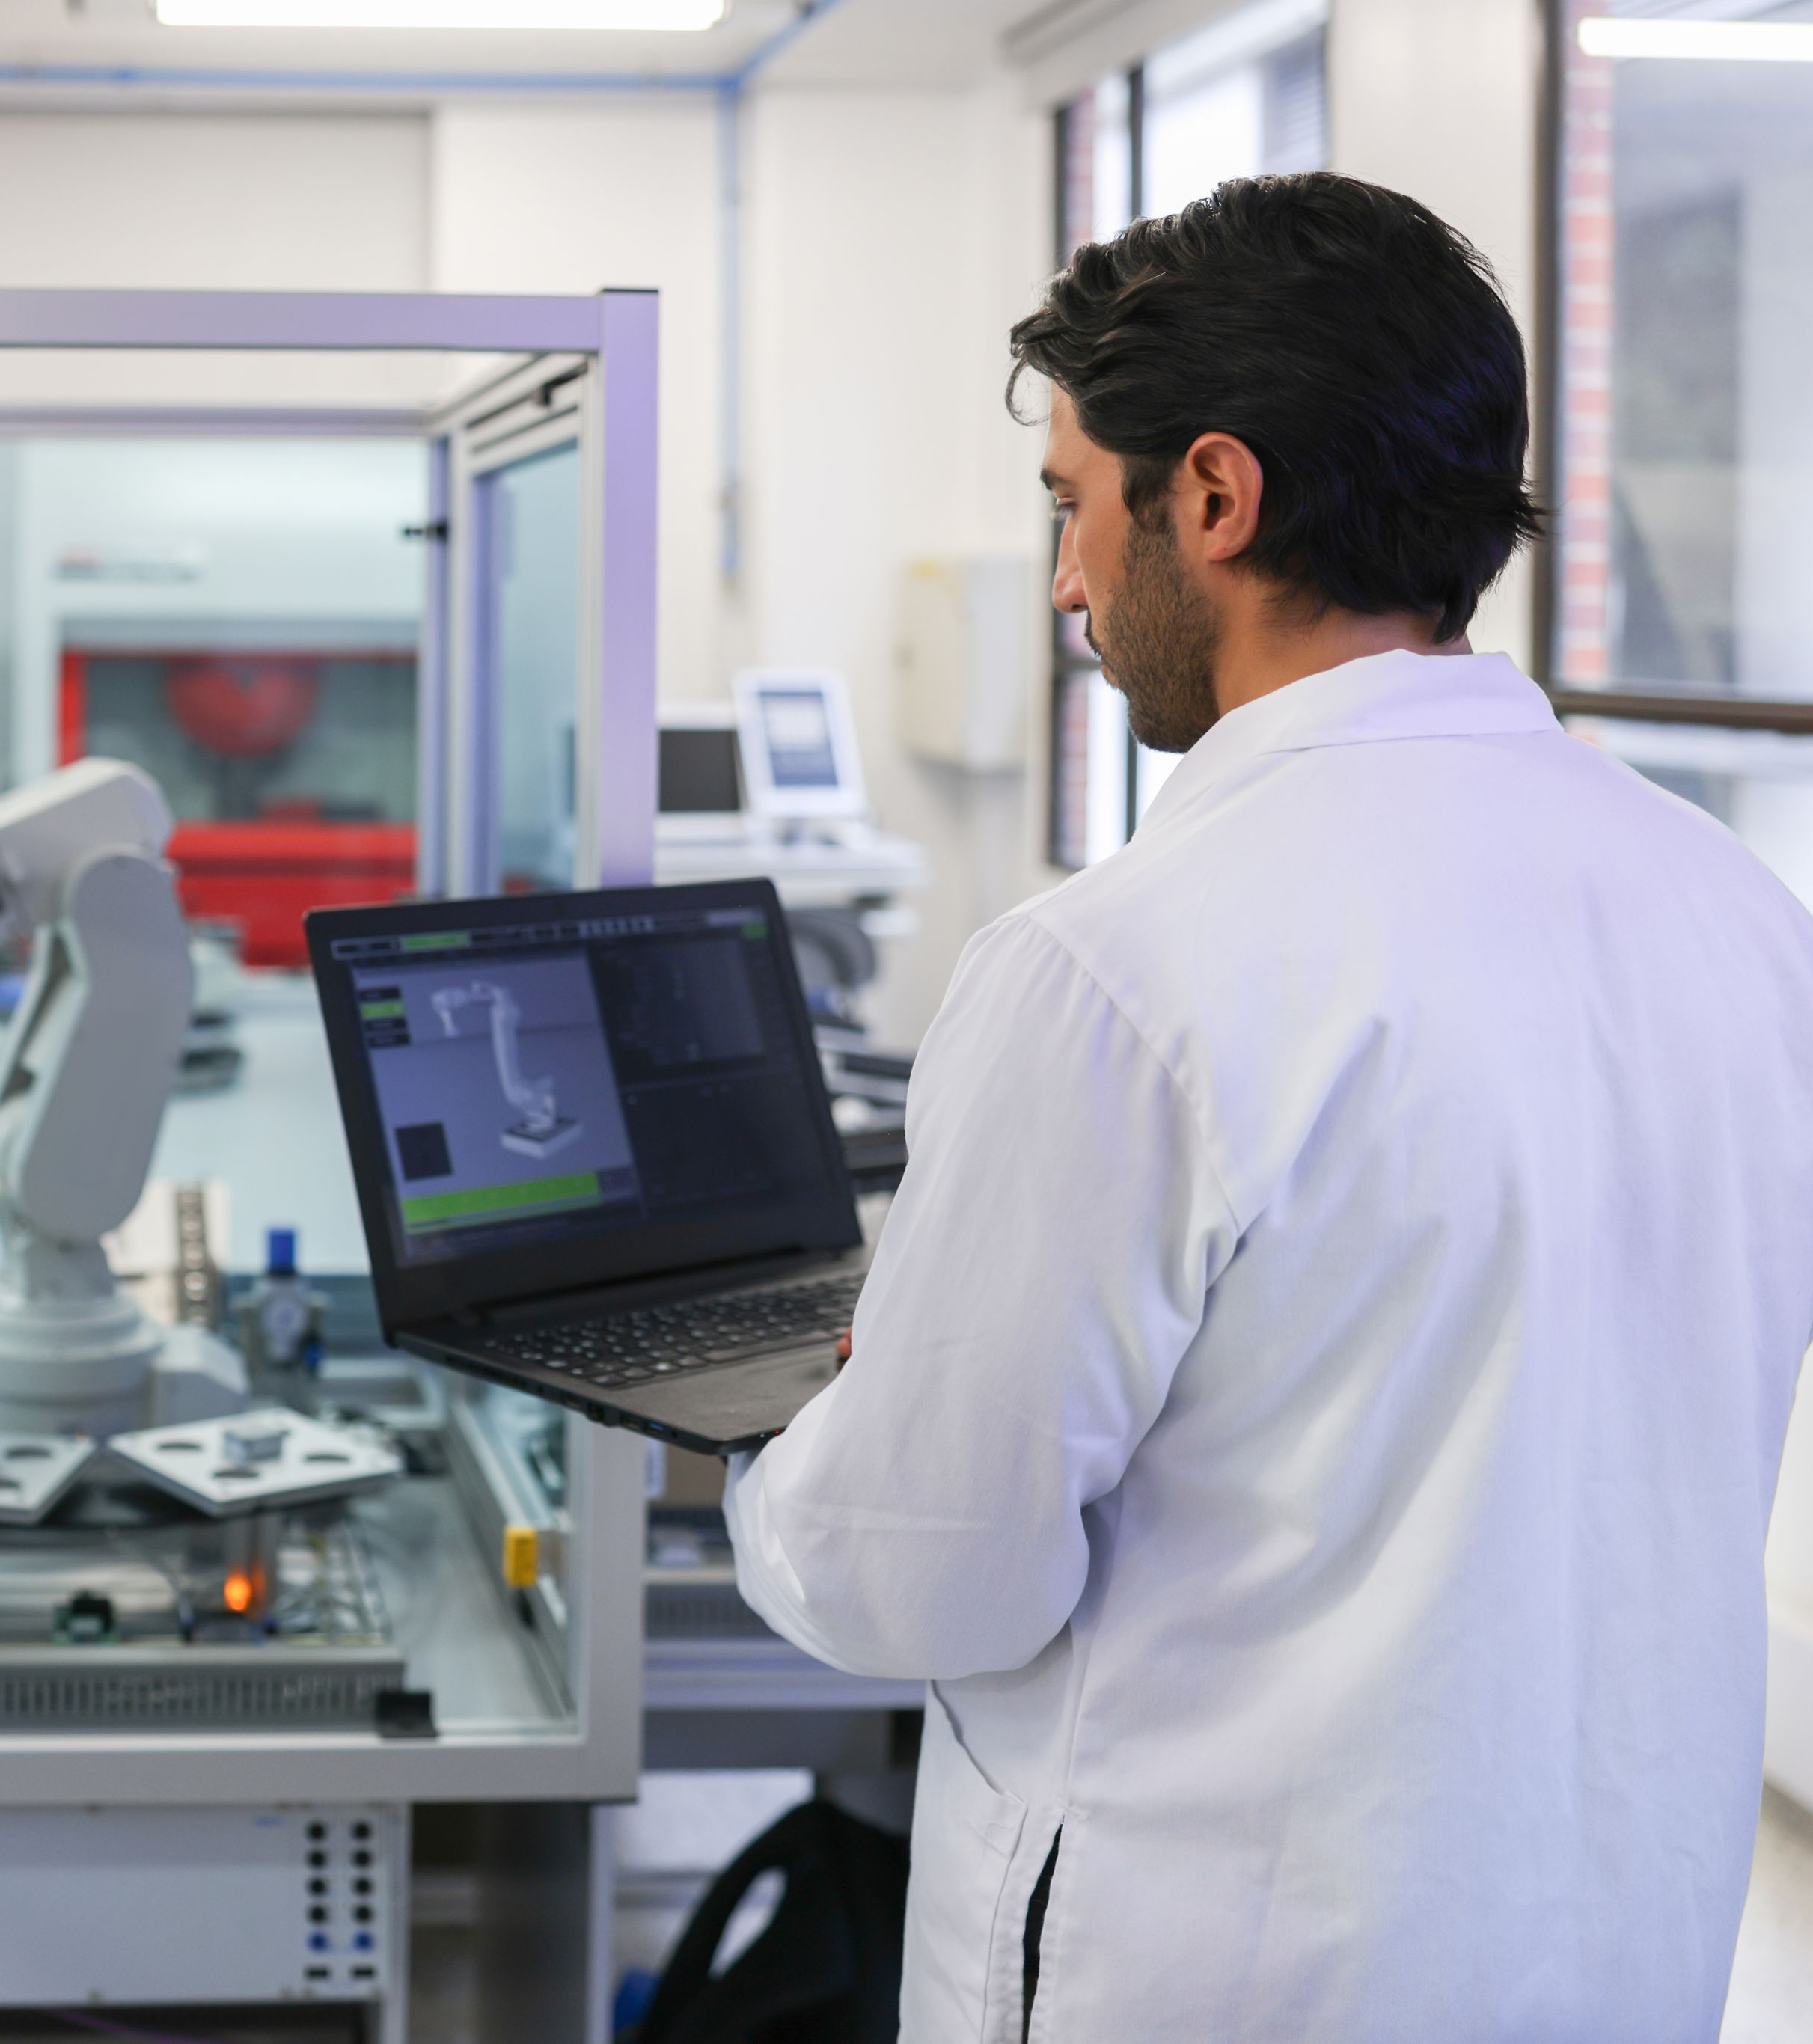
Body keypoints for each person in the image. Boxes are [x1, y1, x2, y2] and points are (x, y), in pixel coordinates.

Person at [722, 171, 1813, 2042]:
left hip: (1218, 1971)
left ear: (1209, 497)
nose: (1063, 581)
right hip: (1608, 1954)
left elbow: (926, 1573)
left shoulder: (1114, 970)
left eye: (1070, 506)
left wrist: (784, 1455)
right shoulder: (1733, 910)